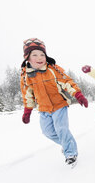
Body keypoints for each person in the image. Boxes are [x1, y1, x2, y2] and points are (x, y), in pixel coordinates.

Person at [20, 38, 88, 167]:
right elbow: (27, 95)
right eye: (34, 55)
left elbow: (67, 82)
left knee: (61, 129)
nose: (39, 57)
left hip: (59, 105)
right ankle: (67, 144)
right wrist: (27, 111)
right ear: (27, 58)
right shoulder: (25, 76)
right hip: (44, 109)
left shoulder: (53, 69)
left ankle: (71, 153)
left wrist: (78, 94)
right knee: (47, 132)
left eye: (42, 54)